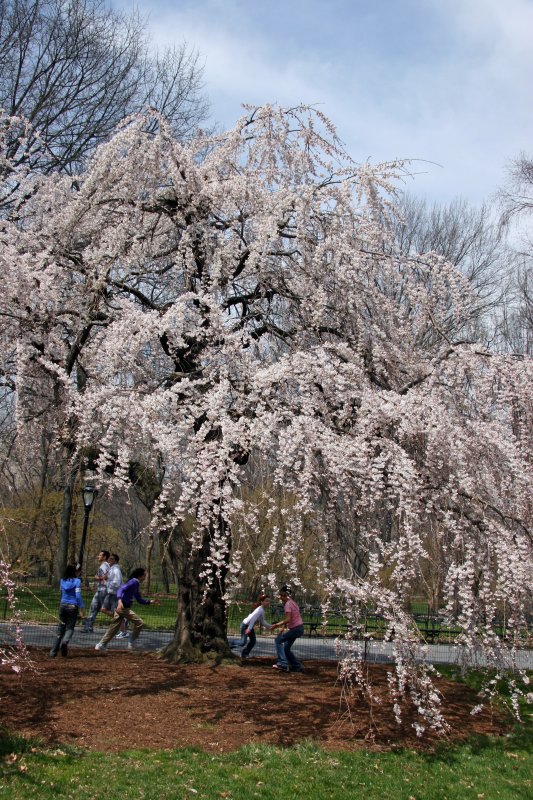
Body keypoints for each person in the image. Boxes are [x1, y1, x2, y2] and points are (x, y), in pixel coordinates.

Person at [95, 567, 159, 651]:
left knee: (114, 627)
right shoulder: (133, 582)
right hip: (123, 608)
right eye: (144, 576)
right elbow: (121, 589)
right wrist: (119, 600)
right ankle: (131, 642)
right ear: (140, 576)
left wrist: (150, 601)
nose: (145, 578)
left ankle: (101, 644)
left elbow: (139, 599)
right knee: (139, 622)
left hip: (122, 608)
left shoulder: (136, 584)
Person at [49, 564, 85, 657]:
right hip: (73, 607)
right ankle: (65, 642)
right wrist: (82, 607)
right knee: (70, 628)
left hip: (63, 605)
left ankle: (53, 652)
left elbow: (62, 593)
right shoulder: (77, 581)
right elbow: (78, 595)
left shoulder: (62, 581)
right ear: (74, 572)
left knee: (60, 629)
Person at [270, 585, 305, 673]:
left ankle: (283, 663)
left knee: (278, 640)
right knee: (286, 648)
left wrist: (276, 625)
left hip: (296, 629)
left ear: (288, 595)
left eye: (284, 596)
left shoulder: (288, 605)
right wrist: (282, 629)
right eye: (281, 595)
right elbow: (291, 619)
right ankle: (297, 666)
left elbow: (288, 619)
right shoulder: (293, 603)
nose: (282, 598)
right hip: (298, 628)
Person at [237, 594, 273, 658]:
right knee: (242, 642)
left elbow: (262, 621)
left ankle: (244, 654)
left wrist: (270, 626)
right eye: (266, 601)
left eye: (269, 601)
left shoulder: (262, 610)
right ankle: (229, 645)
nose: (268, 603)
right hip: (245, 625)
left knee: (253, 641)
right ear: (262, 602)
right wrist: (249, 629)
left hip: (249, 626)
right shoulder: (260, 610)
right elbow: (253, 618)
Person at [83, 549, 110, 632]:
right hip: (100, 590)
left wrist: (97, 578)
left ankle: (123, 620)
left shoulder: (104, 565)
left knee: (107, 609)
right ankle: (89, 627)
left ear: (104, 557)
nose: (98, 556)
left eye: (100, 555)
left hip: (103, 590)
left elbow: (107, 576)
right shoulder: (104, 565)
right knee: (93, 608)